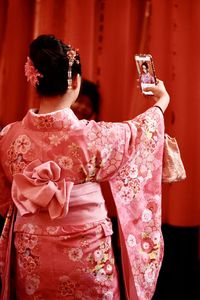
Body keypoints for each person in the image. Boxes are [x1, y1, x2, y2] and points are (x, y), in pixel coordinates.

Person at [0, 34, 169, 300]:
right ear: (75, 82)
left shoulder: (9, 137)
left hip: (32, 250)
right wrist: (162, 101)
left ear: (35, 79)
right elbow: (140, 132)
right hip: (86, 254)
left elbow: (4, 199)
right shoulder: (93, 136)